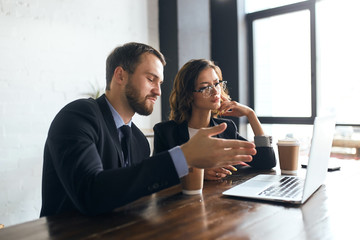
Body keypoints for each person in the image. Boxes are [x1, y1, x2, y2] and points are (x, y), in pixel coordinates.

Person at [40, 43, 257, 217]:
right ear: (120, 75)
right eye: (151, 79)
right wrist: (185, 157)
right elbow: (91, 194)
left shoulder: (138, 141)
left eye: (160, 82)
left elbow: (135, 193)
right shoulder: (79, 115)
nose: (158, 91)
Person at [153, 59, 276, 180]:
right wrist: (197, 172)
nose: (215, 91)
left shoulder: (226, 128)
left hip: (223, 196)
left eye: (217, 84)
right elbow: (157, 174)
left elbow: (266, 162)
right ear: (189, 95)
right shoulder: (165, 132)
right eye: (205, 87)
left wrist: (251, 114)